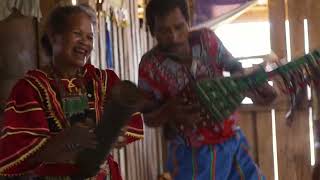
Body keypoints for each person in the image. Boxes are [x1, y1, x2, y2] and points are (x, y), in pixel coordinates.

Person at [0, 5, 145, 179]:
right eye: (77, 34)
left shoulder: (103, 81)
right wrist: (64, 140)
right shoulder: (31, 88)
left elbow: (128, 126)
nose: (85, 42)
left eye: (89, 37)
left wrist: (116, 133)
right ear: (54, 37)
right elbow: (23, 152)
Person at [139, 0, 277, 179]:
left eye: (179, 27)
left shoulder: (207, 39)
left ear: (188, 22)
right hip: (192, 155)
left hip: (232, 141)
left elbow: (236, 68)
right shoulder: (149, 66)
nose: (173, 36)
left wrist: (251, 86)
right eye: (164, 31)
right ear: (152, 31)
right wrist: (169, 110)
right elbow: (148, 118)